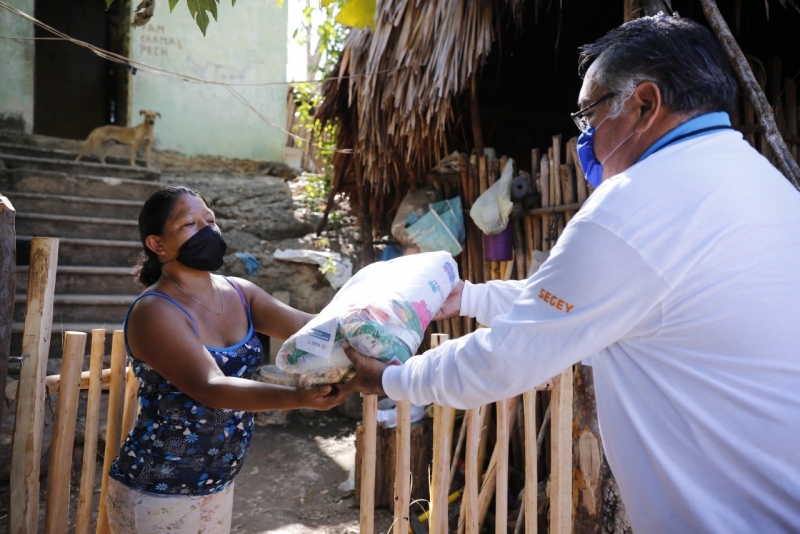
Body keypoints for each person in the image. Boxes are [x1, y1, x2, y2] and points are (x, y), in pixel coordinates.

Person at [341, 15, 800, 533]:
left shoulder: (633, 206)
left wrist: (391, 379)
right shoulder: (760, 181)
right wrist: (467, 296)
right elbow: (583, 301)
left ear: (644, 104)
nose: (584, 136)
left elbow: (503, 360)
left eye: (589, 115)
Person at [105, 186, 345, 533]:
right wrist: (296, 398)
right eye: (190, 224)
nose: (207, 230)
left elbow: (314, 329)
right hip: (157, 492)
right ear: (157, 244)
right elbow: (211, 386)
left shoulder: (239, 292)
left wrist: (373, 325)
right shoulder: (155, 310)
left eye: (211, 220)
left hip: (217, 484)